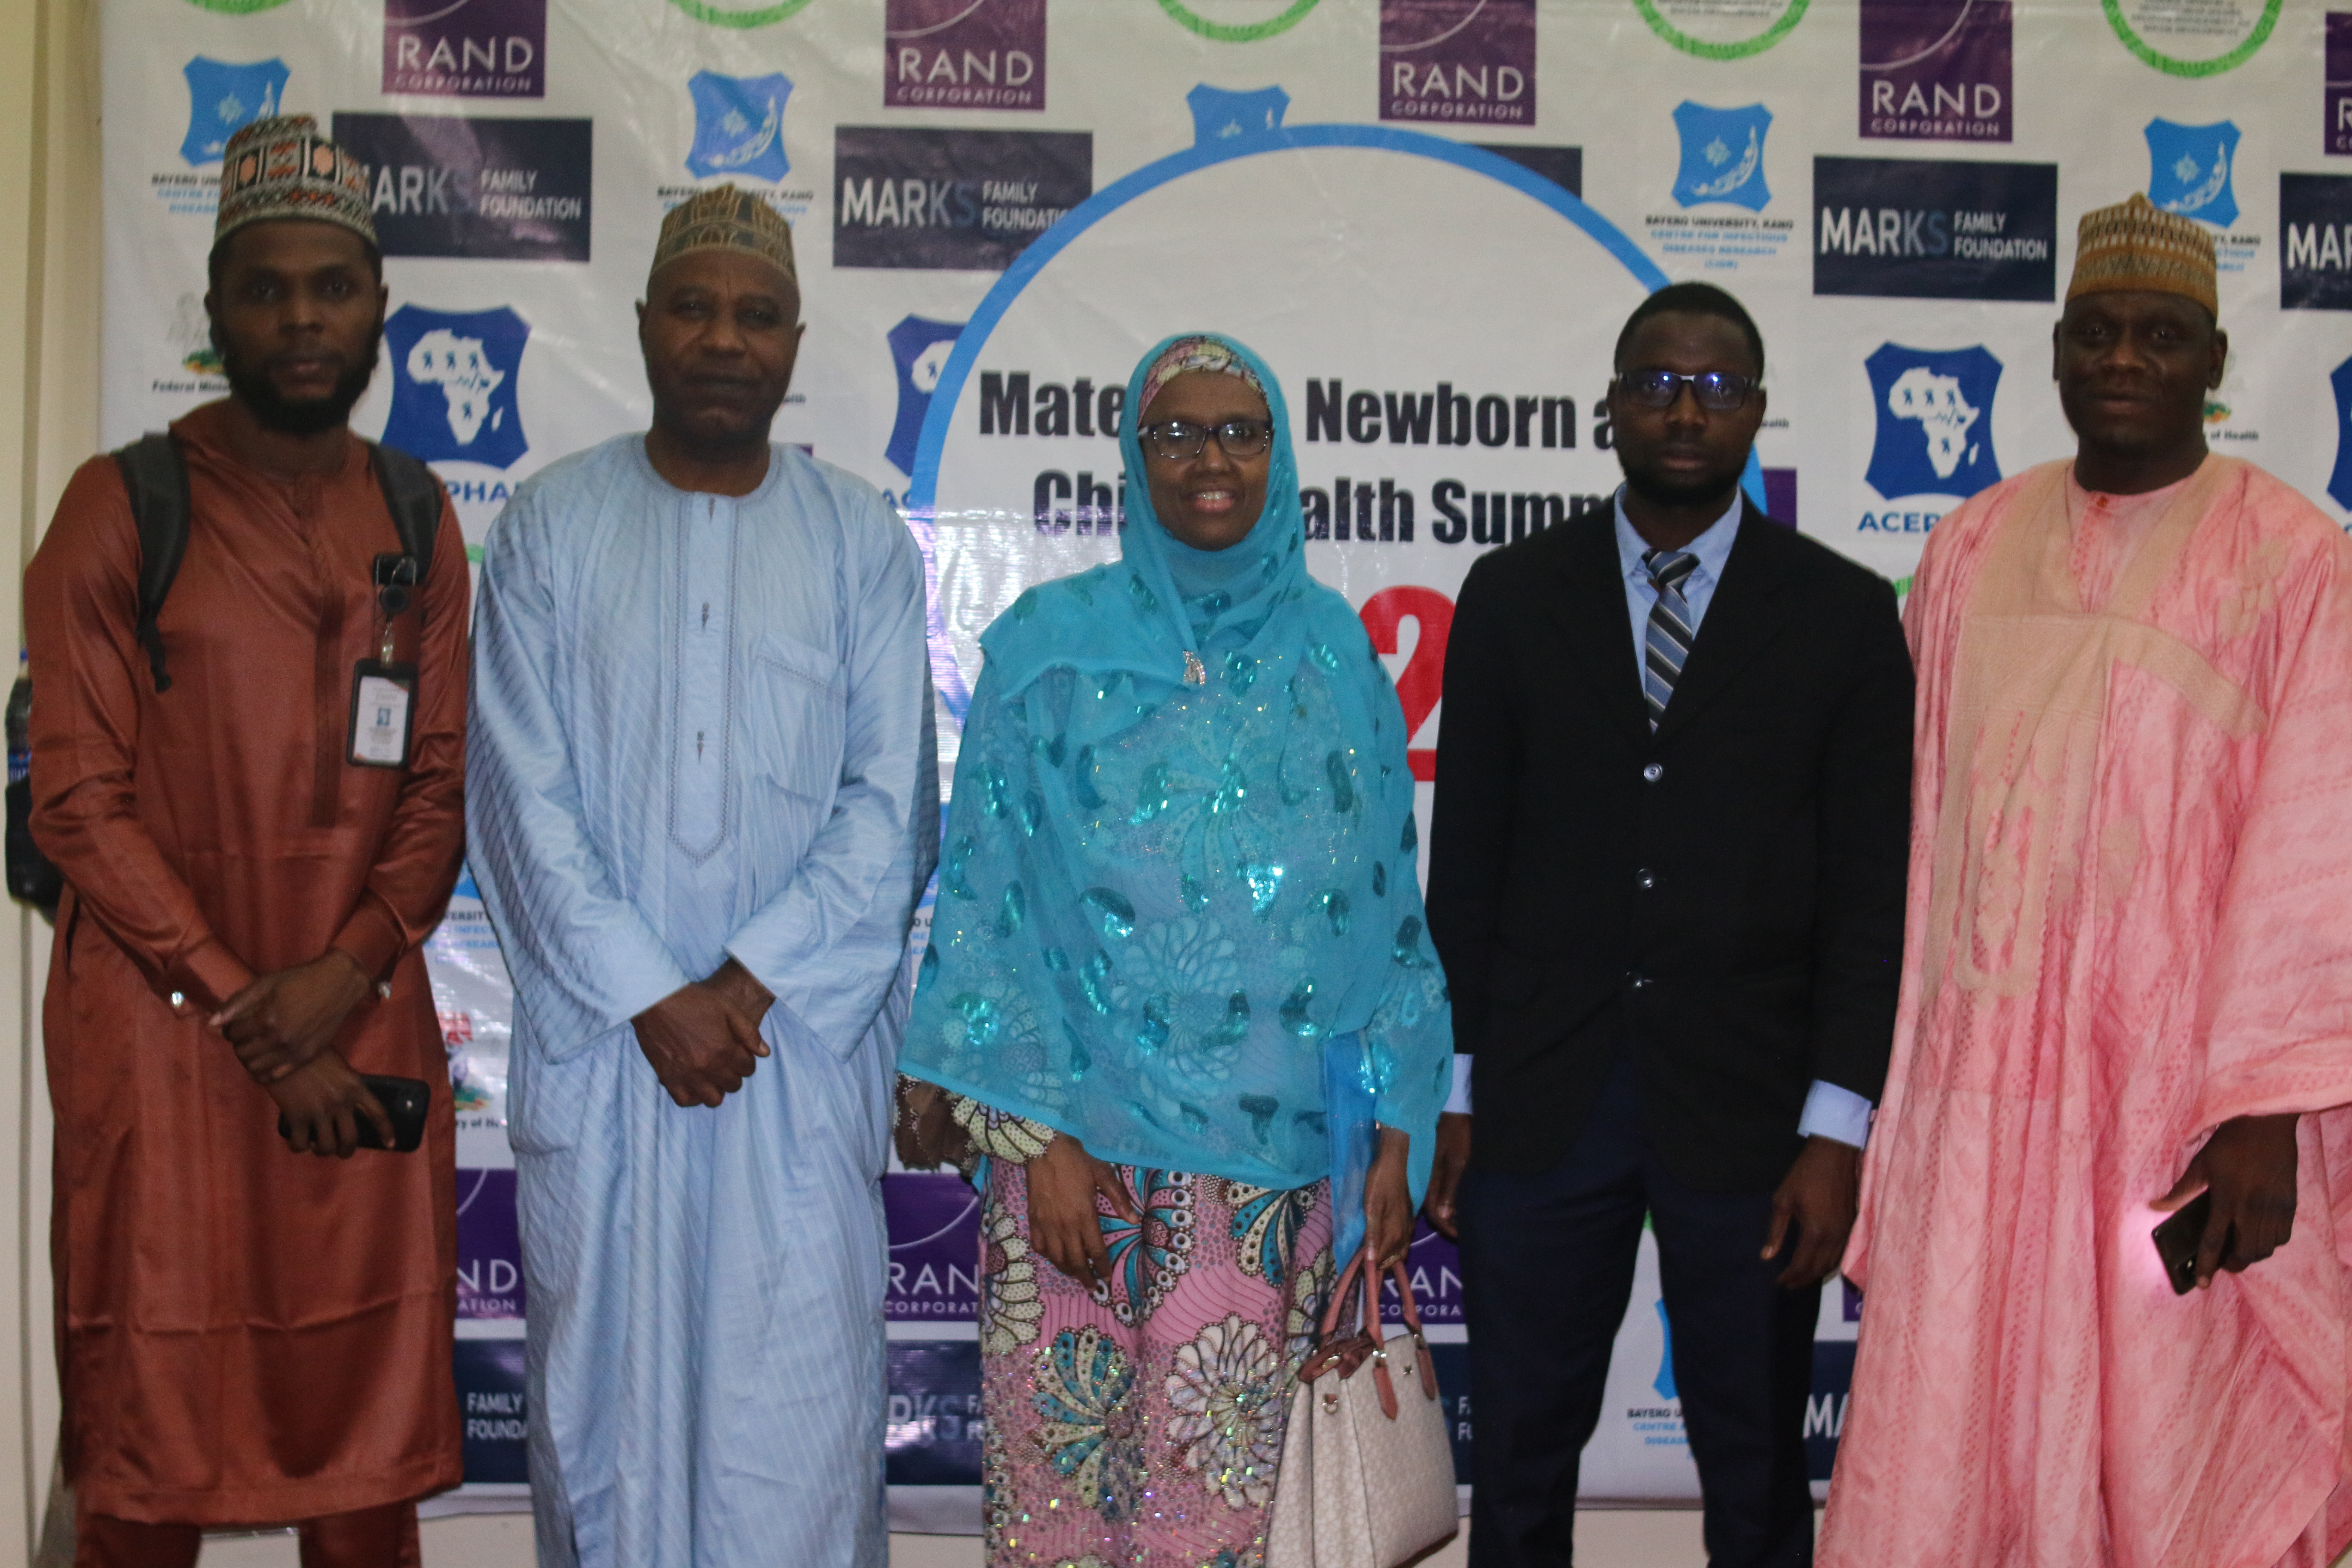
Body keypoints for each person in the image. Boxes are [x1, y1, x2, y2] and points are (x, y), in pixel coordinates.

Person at [1819, 197, 2352, 1567]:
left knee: (2171, 1447)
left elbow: (2318, 845)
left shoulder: (2299, 563)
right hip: (1979, 1107)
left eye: (2162, 337)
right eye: (2100, 332)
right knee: (1961, 1437)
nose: (2127, 359)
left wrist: (2267, 1110)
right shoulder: (1970, 549)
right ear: (2057, 352)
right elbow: (1919, 839)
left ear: (2214, 362)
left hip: (2175, 1109)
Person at [895, 332, 1452, 1568]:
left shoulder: (1334, 656)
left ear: (1280, 455)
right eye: (1178, 433)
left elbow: (1382, 915)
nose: (1213, 459)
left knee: (1227, 1519)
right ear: (1134, 457)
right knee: (1062, 1504)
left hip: (1274, 1177)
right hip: (1075, 1164)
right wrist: (1036, 1137)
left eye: (1241, 432)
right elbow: (990, 898)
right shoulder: (1049, 648)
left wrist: (1397, 1131)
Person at [465, 185, 938, 1568]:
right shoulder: (549, 526)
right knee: (603, 1443)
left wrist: (739, 988)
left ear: (795, 343)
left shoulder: (859, 540)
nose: (723, 339)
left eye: (755, 314)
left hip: (786, 1064)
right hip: (611, 1060)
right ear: (644, 328)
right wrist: (651, 996)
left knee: (793, 1447)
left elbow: (888, 807)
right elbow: (517, 795)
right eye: (694, 306)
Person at [24, 115, 469, 1566]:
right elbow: (76, 802)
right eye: (265, 289)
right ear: (213, 310)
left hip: (358, 1022)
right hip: (164, 1051)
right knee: (150, 1456)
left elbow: (440, 783)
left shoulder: (416, 517)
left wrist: (336, 980)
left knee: (361, 1463)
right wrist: (248, 1002)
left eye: (331, 287)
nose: (300, 318)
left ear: (379, 310)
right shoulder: (118, 507)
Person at [1426, 281, 1914, 1568]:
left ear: (1757, 411)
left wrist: (1835, 1132)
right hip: (1539, 1101)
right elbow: (1465, 866)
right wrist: (1457, 1088)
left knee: (1756, 1477)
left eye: (1715, 386)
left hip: (1754, 1119)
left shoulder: (1847, 614)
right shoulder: (1515, 594)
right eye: (1656, 383)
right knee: (1522, 1464)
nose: (1684, 408)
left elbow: (1872, 897)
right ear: (1610, 409)